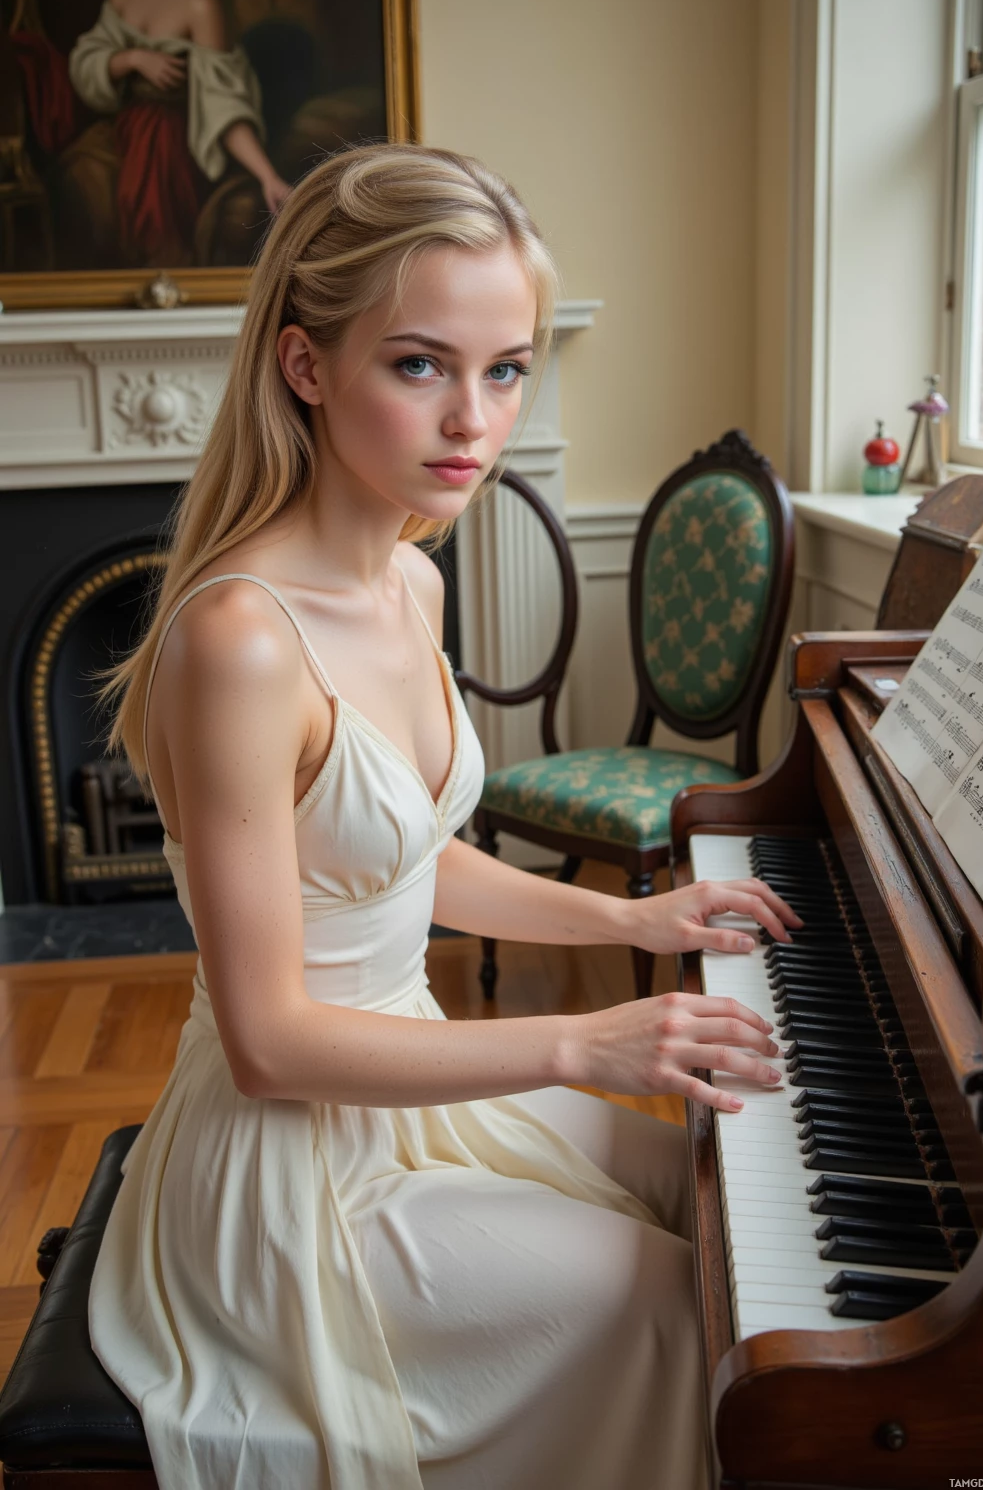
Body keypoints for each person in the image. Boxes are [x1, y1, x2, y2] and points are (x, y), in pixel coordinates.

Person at [89, 143, 796, 1490]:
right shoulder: (241, 641)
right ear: (305, 366)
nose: (474, 419)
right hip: (293, 1170)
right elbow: (270, 1045)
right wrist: (585, 1041)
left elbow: (404, 860)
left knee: (712, 1186)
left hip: (409, 1083)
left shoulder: (411, 583)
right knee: (671, 1300)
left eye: (507, 369)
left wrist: (631, 917)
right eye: (420, 365)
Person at [67, 0, 290, 266]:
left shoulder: (200, 5)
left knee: (155, 221)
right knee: (80, 176)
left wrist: (268, 176)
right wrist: (133, 59)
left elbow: (222, 106)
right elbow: (86, 63)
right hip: (125, 131)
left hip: (168, 140)